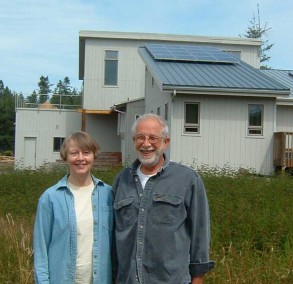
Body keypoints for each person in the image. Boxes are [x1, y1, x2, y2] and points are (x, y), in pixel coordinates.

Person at [112, 114, 214, 283]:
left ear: (165, 142)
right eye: (140, 138)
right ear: (133, 141)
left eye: (153, 138)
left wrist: (198, 277)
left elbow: (200, 234)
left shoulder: (187, 179)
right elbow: (114, 236)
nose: (146, 144)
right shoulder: (121, 180)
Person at [33, 131, 114, 283]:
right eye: (74, 153)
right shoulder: (50, 198)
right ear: (65, 157)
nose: (81, 158)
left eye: (86, 153)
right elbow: (40, 250)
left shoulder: (108, 194)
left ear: (94, 156)